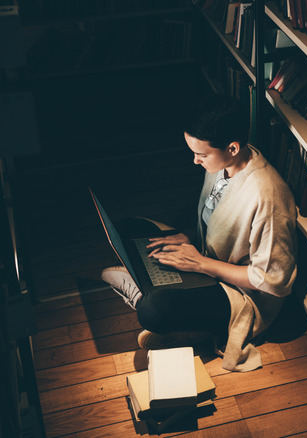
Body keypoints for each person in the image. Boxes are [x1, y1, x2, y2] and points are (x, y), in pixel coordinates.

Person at [101, 94, 297, 371]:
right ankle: (173, 307)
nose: (195, 161)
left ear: (232, 148)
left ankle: (170, 313)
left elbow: (271, 281)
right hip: (206, 259)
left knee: (152, 310)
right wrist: (189, 235)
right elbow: (218, 217)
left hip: (240, 293)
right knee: (129, 229)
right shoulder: (223, 164)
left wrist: (201, 264)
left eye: (201, 154)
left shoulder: (268, 198)